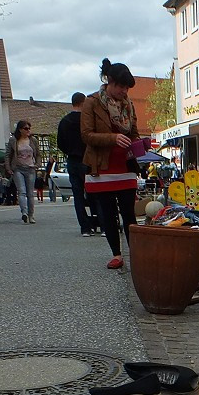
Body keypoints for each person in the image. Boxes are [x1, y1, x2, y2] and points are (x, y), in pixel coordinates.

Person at [81, 58, 139, 269]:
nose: (124, 92)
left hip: (125, 166)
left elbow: (133, 134)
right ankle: (116, 254)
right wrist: (112, 138)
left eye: (126, 88)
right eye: (121, 87)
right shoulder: (92, 102)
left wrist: (140, 144)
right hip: (102, 166)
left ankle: (137, 255)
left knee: (129, 213)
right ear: (110, 81)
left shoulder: (129, 105)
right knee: (108, 213)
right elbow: (87, 135)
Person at [57, 92, 102, 236]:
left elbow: (60, 144)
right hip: (88, 159)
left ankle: (85, 228)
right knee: (95, 193)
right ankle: (101, 224)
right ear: (83, 103)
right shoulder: (87, 120)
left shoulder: (64, 121)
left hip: (72, 160)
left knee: (78, 195)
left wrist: (70, 151)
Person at [5, 120, 39, 223]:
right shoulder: (13, 140)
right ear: (20, 130)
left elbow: (38, 154)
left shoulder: (33, 140)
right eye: (26, 128)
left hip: (30, 168)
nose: (28, 130)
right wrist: (8, 168)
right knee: (21, 191)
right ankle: (24, 212)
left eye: (29, 128)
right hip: (18, 168)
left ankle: (31, 215)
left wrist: (37, 165)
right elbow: (8, 154)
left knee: (30, 193)